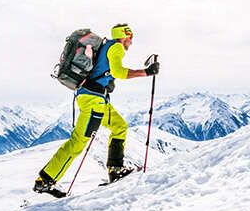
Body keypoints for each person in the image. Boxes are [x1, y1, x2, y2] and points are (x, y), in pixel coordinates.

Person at [33, 23, 160, 196]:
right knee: (78, 142)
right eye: (130, 36)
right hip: (93, 100)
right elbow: (119, 72)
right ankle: (45, 181)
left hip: (95, 98)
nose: (131, 41)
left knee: (119, 126)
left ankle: (115, 169)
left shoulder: (107, 46)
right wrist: (145, 72)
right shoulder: (116, 47)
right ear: (124, 35)